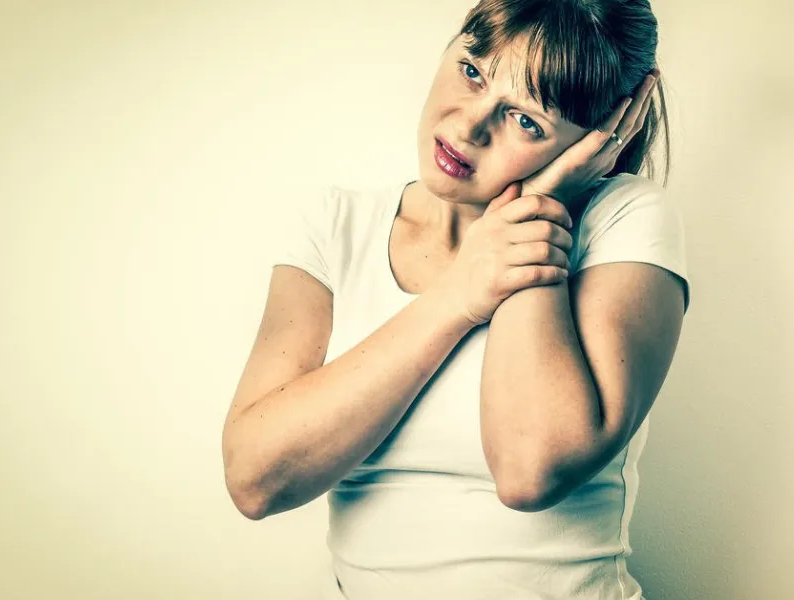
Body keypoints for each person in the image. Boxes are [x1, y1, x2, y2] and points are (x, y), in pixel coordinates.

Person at [221, 1, 691, 597]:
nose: (469, 126)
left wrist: (534, 216)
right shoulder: (336, 225)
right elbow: (255, 480)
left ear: (601, 138)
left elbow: (529, 469)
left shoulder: (624, 219)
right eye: (473, 71)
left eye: (527, 121)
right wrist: (462, 294)